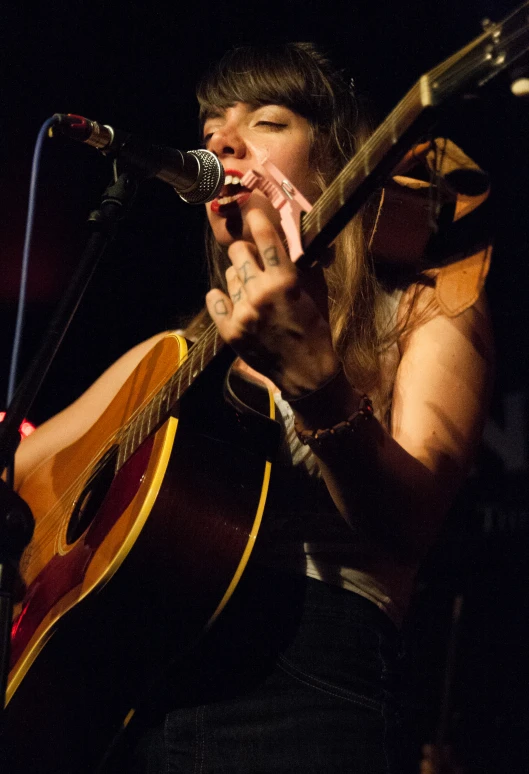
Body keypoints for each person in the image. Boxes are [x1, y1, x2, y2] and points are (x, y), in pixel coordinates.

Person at [12, 43, 493, 773]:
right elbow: (24, 470)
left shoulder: (423, 307)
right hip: (134, 696)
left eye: (265, 120)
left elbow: (411, 521)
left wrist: (316, 386)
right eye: (210, 125)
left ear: (335, 161)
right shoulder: (172, 353)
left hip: (306, 689)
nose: (218, 139)